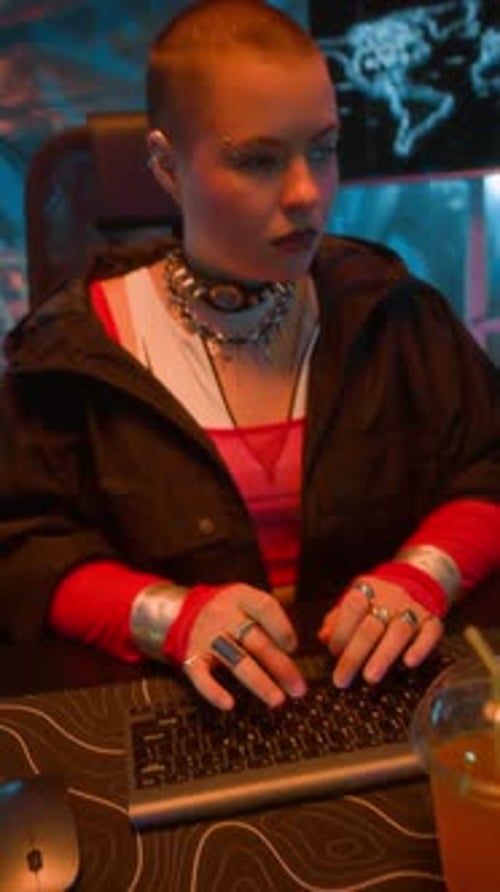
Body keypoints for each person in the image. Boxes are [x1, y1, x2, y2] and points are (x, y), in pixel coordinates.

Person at [1, 0, 500, 711]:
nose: (306, 193)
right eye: (258, 160)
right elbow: (20, 549)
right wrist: (167, 617)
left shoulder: (391, 314)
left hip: (386, 707)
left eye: (322, 149)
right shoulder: (75, 355)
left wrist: (422, 575)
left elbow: (488, 467)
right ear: (166, 166)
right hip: (184, 720)